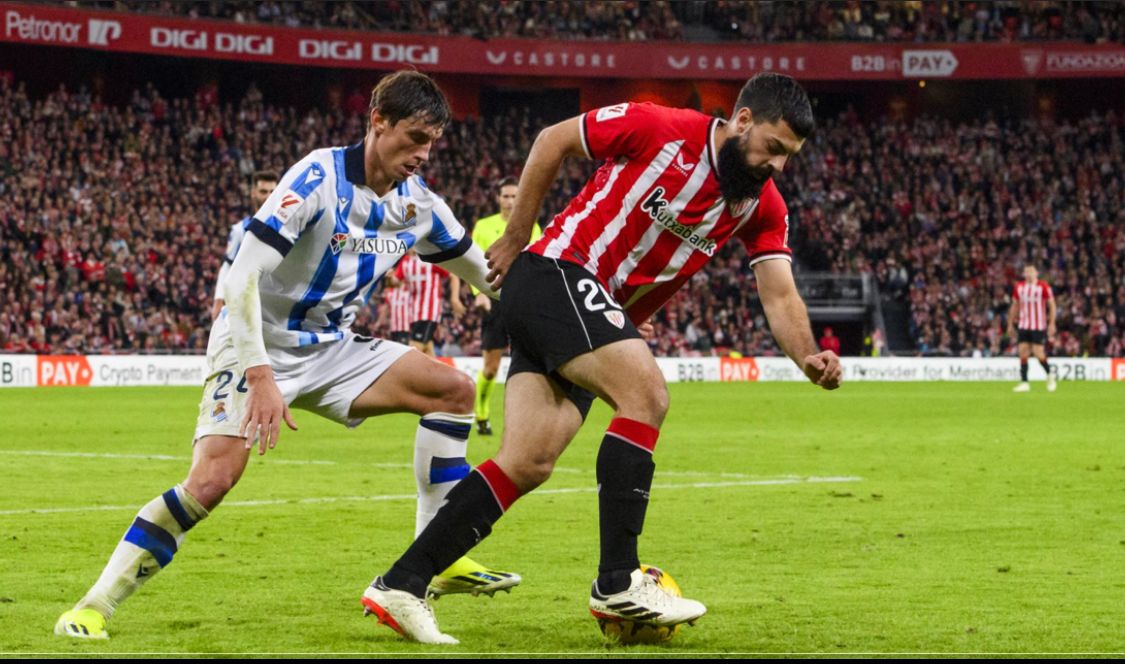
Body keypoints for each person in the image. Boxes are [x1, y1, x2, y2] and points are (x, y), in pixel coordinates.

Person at [363, 73, 842, 644]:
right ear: (742, 121)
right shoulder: (659, 127)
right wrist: (517, 235)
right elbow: (551, 140)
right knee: (647, 396)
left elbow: (780, 292)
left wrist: (809, 354)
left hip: (585, 315)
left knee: (527, 461)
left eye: (789, 158)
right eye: (774, 149)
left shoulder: (760, 206)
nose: (778, 167)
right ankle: (617, 580)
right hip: (558, 274)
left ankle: (402, 581)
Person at [55, 70, 519, 642]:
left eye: (431, 143)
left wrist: (574, 320)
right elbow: (241, 276)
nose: (422, 154)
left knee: (453, 390)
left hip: (331, 345)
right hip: (255, 338)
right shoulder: (317, 177)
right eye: (414, 138)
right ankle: (93, 605)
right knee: (213, 480)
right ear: (378, 121)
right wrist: (261, 375)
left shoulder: (418, 206)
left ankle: (438, 555)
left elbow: (490, 276)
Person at [469, 177, 541, 435]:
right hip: (494, 299)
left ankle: (526, 422)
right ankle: (481, 414)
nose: (510, 201)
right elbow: (472, 261)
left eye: (514, 196)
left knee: (530, 364)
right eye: (506, 196)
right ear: (498, 199)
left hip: (523, 299)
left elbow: (539, 261)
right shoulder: (483, 226)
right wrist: (478, 293)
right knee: (490, 367)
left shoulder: (531, 226)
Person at [211, 171, 278, 320]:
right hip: (247, 306)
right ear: (253, 193)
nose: (268, 196)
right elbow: (228, 265)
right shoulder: (241, 230)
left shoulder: (289, 228)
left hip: (278, 307)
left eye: (272, 192)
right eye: (263, 192)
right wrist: (219, 299)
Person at [389, 249, 465, 357]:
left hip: (429, 311)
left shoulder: (429, 259)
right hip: (414, 313)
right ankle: (437, 373)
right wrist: (389, 277)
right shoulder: (405, 261)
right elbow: (395, 282)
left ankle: (408, 374)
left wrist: (454, 299)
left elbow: (453, 276)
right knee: (427, 351)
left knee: (413, 351)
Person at [1007, 264, 1057, 392]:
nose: (1029, 274)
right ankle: (1024, 382)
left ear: (1036, 273)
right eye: (1026, 272)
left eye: (1031, 272)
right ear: (1024, 274)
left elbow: (1052, 305)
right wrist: (1010, 324)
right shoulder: (1019, 287)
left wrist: (1052, 323)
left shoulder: (1043, 286)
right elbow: (1015, 306)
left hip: (1038, 325)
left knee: (1038, 353)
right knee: (1022, 352)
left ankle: (1050, 375)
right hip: (1024, 324)